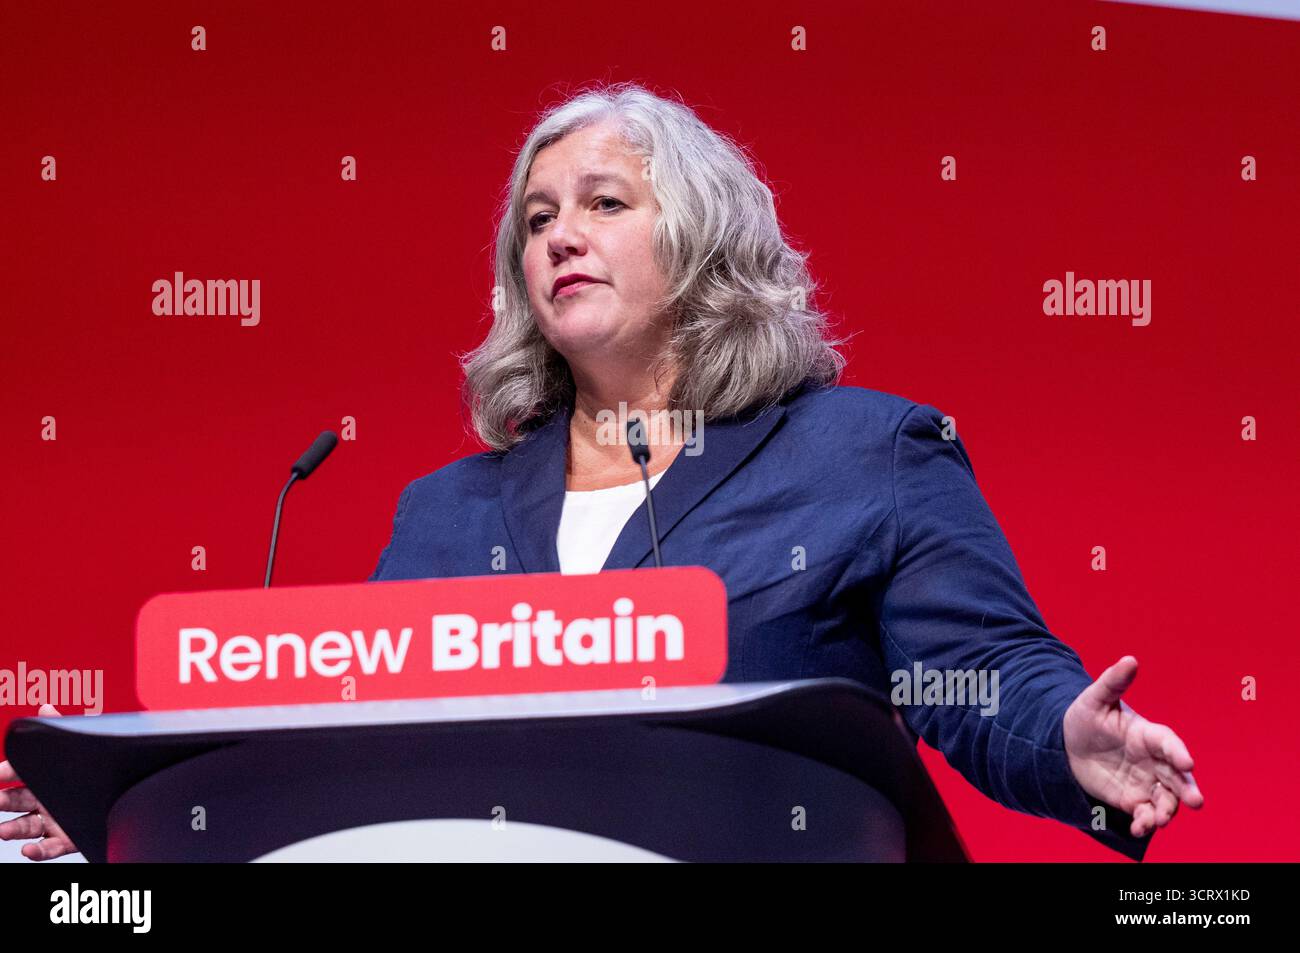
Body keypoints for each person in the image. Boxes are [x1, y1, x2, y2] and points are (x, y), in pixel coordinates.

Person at [0, 82, 1202, 862]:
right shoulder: (443, 511)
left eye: (602, 203)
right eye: (534, 218)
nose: (558, 234)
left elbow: (985, 675)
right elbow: (333, 741)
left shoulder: (864, 453)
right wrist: (134, 807)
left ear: (703, 240)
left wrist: (1068, 742)